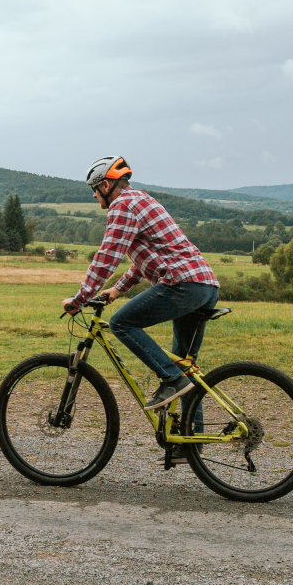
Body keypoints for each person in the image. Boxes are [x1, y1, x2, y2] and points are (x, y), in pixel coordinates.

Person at [64, 156, 219, 410]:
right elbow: (147, 257)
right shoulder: (143, 199)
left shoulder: (122, 206)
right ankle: (189, 448)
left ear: (105, 186)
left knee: (121, 323)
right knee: (185, 372)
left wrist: (78, 300)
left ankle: (170, 379)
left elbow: (106, 258)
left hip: (182, 284)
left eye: (94, 189)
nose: (94, 196)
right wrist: (118, 288)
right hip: (204, 285)